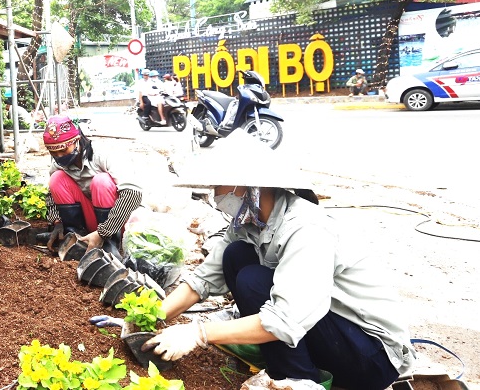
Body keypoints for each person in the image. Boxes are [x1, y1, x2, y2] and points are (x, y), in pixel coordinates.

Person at [138, 135, 415, 390]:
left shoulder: (306, 228)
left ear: (247, 186)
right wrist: (148, 319)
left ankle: (299, 380)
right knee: (235, 255)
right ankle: (287, 368)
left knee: (253, 281)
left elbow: (285, 319)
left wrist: (199, 333)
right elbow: (203, 280)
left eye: (219, 185)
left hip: (371, 356)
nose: (215, 193)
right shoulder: (248, 222)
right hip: (327, 333)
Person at [42, 114, 143, 259]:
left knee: (101, 181)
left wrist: (104, 232)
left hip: (116, 222)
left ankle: (110, 244)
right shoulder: (58, 164)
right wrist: (56, 222)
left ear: (76, 140)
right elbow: (51, 194)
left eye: (63, 151)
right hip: (91, 219)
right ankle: (77, 239)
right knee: (56, 179)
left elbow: (133, 194)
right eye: (54, 153)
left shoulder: (102, 155)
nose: (59, 156)